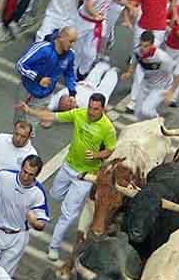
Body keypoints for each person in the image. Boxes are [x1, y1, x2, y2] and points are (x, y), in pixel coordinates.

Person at [18, 93, 116, 263]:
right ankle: (72, 202)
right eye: (90, 108)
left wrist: (96, 155)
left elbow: (110, 150)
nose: (91, 112)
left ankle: (53, 247)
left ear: (103, 109)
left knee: (68, 214)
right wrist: (30, 111)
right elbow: (52, 116)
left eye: (96, 109)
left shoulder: (108, 129)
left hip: (85, 176)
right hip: (68, 166)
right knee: (55, 195)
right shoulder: (79, 113)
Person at [0, 156, 50, 279]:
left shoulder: (38, 193)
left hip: (18, 237)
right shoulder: (3, 176)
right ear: (21, 167)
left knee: (4, 277)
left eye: (31, 174)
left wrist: (34, 221)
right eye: (24, 171)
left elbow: (41, 225)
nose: (26, 177)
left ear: (36, 175)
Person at [16, 28, 78, 124]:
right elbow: (21, 64)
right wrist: (38, 78)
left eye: (74, 42)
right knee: (19, 122)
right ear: (61, 38)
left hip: (45, 95)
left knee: (30, 125)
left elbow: (69, 74)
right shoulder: (43, 48)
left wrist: (72, 93)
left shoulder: (70, 55)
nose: (72, 45)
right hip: (27, 90)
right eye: (71, 41)